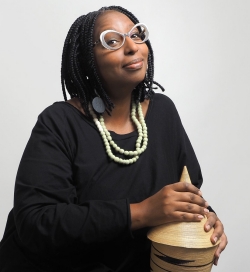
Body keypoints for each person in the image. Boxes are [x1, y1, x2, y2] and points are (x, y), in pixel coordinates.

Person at [0, 5, 227, 272]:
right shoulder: (59, 122)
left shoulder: (163, 111)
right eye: (113, 41)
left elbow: (185, 188)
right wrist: (141, 212)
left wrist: (207, 218)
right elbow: (37, 222)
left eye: (136, 34)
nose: (132, 46)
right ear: (88, 59)